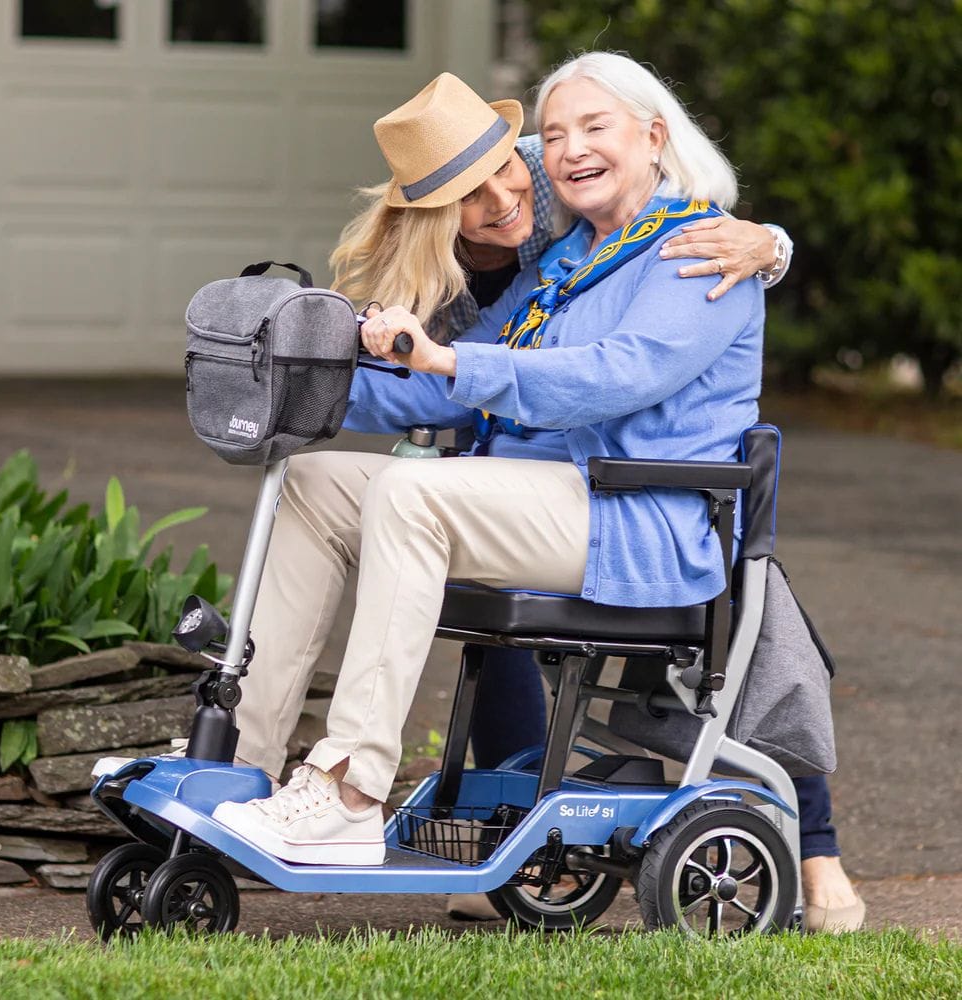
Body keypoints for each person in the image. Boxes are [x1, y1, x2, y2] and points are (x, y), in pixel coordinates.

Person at [213, 60, 863, 931]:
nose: (566, 150)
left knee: (412, 493)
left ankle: (347, 788)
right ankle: (238, 766)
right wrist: (291, 387)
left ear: (655, 137)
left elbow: (617, 376)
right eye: (553, 136)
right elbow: (441, 390)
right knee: (320, 482)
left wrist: (775, 241)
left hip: (641, 518)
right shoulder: (566, 255)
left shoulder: (696, 251)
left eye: (595, 128)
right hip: (551, 495)